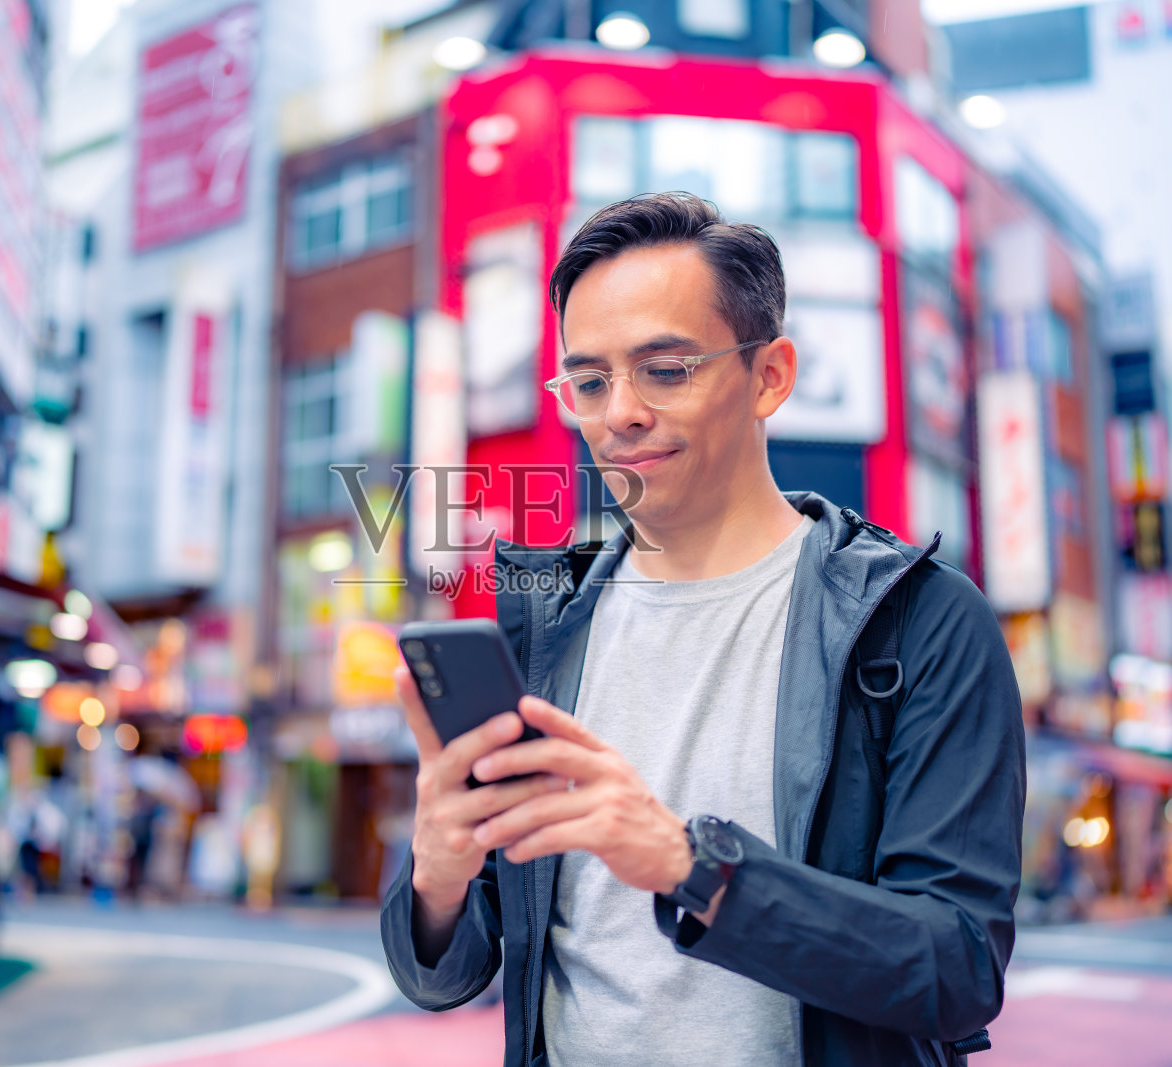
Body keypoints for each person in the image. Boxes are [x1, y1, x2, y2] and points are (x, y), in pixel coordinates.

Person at [380, 193, 1026, 1066]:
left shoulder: (918, 620)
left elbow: (956, 968)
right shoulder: (545, 626)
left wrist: (693, 865)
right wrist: (438, 872)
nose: (620, 414)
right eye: (590, 380)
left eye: (666, 369)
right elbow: (446, 975)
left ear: (770, 375)